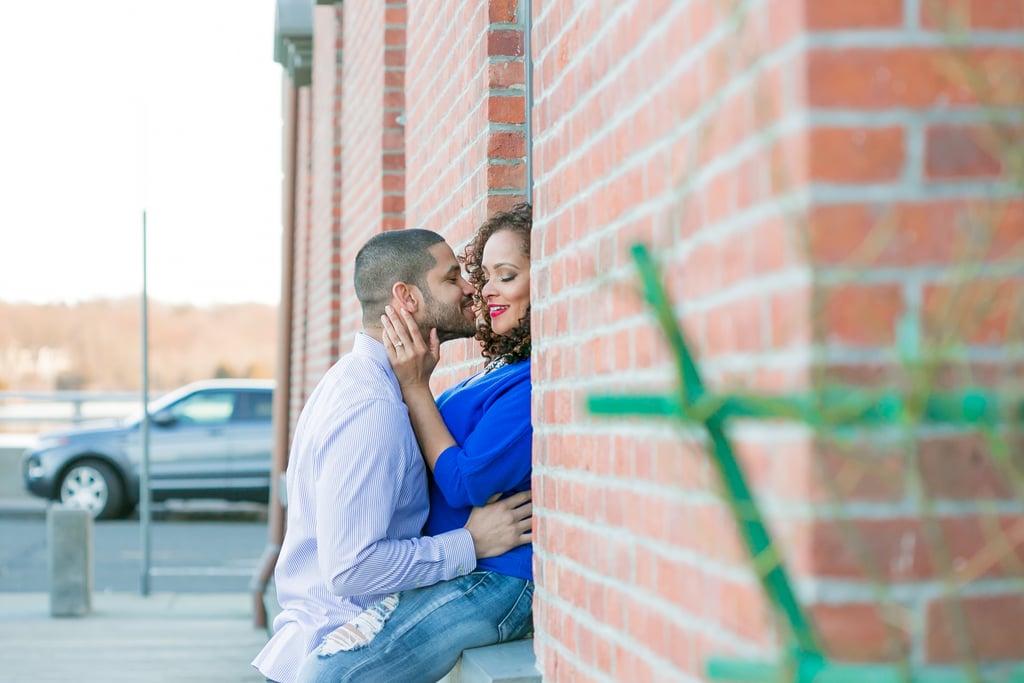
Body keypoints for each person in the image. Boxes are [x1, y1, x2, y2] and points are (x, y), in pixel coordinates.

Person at [252, 228, 534, 683]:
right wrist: (469, 543)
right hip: (334, 643)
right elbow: (354, 567)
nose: (471, 288)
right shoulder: (373, 408)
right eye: (452, 277)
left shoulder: (361, 382)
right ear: (408, 298)